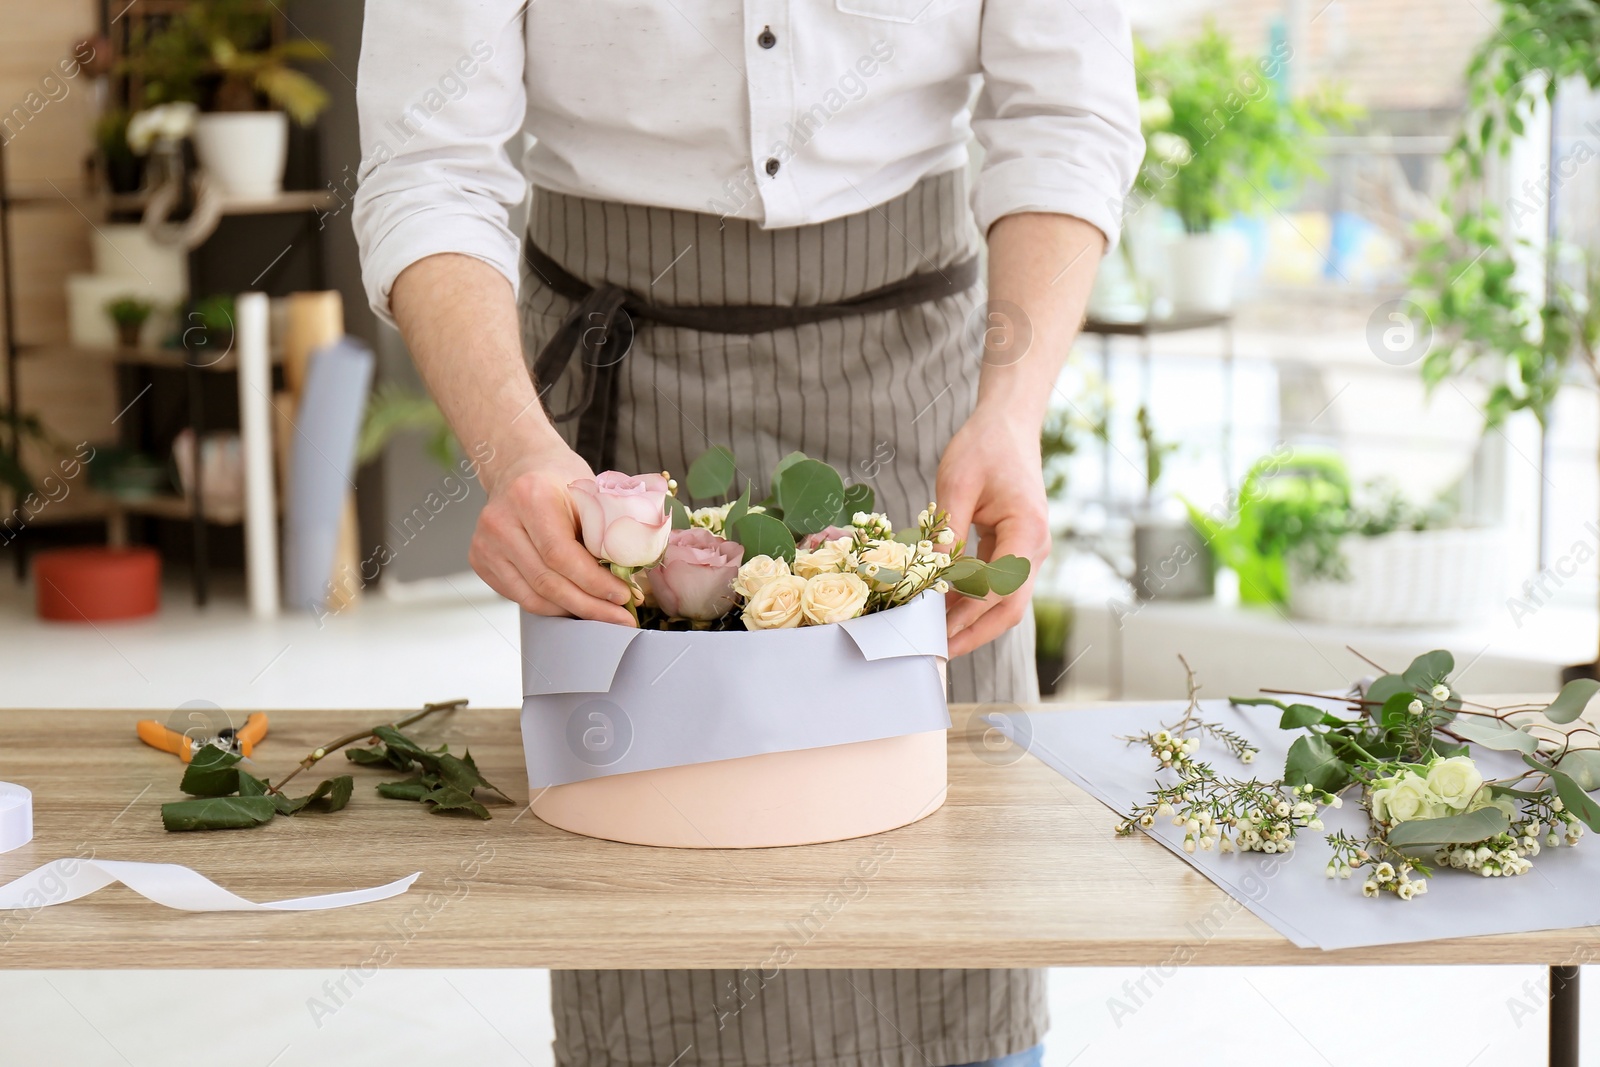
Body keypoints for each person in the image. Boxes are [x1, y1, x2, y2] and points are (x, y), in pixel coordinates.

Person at [354, 3, 1141, 1065]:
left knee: (934, 886)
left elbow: (1064, 114)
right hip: (618, 402)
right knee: (655, 895)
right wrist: (514, 450)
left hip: (921, 398)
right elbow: (427, 160)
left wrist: (1008, 411)